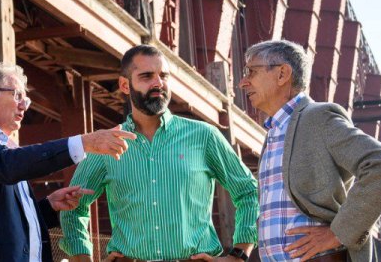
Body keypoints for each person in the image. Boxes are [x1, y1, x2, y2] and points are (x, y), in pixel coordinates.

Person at [60, 44, 258, 262]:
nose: (158, 83)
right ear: (125, 85)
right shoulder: (106, 144)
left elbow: (248, 191)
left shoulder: (204, 136)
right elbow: (72, 206)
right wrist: (83, 259)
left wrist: (239, 255)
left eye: (164, 75)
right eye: (146, 76)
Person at [0, 61, 138, 262]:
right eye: (16, 96)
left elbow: (4, 221)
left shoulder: (7, 149)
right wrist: (83, 142)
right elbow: (3, 166)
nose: (24, 106)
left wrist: (49, 206)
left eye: (27, 100)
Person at [239, 40, 381, 262]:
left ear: (282, 74)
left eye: (251, 72)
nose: (243, 82)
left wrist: (338, 233)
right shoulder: (275, 131)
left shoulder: (317, 118)